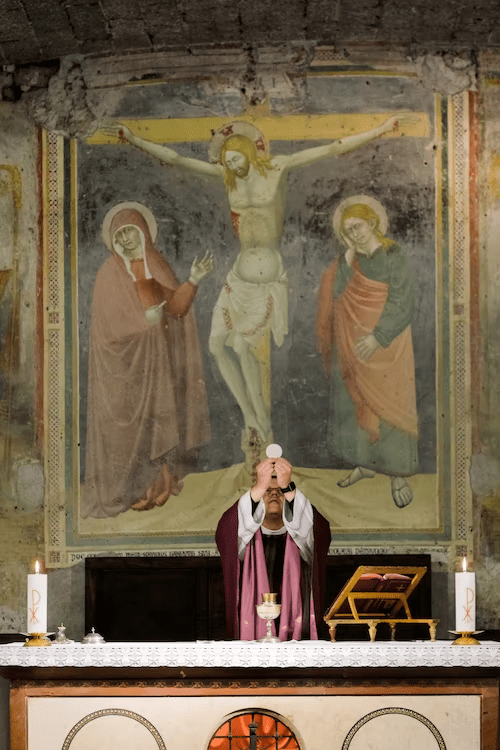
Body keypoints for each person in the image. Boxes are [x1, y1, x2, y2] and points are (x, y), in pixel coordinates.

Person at [103, 115, 415, 447]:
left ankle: (262, 422)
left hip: (266, 275)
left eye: (236, 159)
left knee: (241, 345)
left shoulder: (278, 167)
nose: (233, 166)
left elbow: (331, 148)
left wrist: (381, 129)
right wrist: (134, 139)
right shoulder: (227, 178)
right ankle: (250, 417)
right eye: (227, 162)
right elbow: (177, 159)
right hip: (238, 276)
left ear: (248, 152)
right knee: (216, 347)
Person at [83, 202, 214, 518]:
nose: (126, 240)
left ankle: (154, 488)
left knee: (158, 424)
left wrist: (193, 281)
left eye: (130, 233)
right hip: (123, 371)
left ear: (143, 233)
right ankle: (126, 490)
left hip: (157, 365)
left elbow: (176, 309)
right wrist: (145, 323)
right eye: (120, 236)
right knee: (127, 434)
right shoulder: (108, 273)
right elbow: (108, 327)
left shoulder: (156, 264)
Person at [316, 196, 418, 508]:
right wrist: (348, 260)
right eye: (347, 231)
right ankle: (364, 463)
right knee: (355, 400)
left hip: (388, 345)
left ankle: (397, 473)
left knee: (391, 405)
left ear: (373, 223)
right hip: (353, 343)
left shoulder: (393, 255)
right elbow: (337, 295)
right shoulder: (349, 260)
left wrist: (379, 336)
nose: (354, 234)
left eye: (357, 227)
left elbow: (403, 300)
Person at [216, 455, 331, 640]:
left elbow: (319, 531)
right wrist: (258, 487)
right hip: (252, 620)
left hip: (297, 616)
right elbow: (226, 530)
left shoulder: (301, 534)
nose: (274, 495)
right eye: (267, 491)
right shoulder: (245, 534)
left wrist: (289, 487)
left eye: (280, 491)